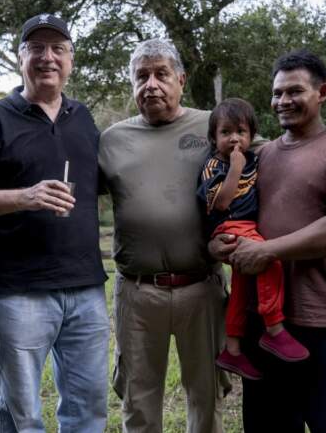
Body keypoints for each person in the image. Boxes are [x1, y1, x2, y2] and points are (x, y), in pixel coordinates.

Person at [0, 13, 109, 433]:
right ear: (20, 56)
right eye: (36, 48)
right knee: (22, 414)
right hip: (20, 291)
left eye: (58, 49)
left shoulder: (84, 119)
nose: (47, 58)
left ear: (71, 59)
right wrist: (24, 197)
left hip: (86, 288)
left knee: (89, 408)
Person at [210, 49, 326, 433]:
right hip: (263, 326)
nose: (284, 101)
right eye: (277, 92)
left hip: (324, 320)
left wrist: (266, 250)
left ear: (323, 93)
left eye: (295, 91)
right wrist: (214, 247)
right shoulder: (260, 155)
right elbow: (230, 212)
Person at [98, 38, 231, 433]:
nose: (151, 84)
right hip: (137, 292)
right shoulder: (112, 140)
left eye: (161, 74)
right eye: (141, 76)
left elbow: (271, 155)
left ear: (181, 80)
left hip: (201, 287)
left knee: (207, 397)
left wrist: (324, 136)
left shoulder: (212, 126)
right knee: (138, 400)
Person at [197, 98, 309, 382]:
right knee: (268, 261)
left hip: (246, 225)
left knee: (242, 288)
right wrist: (235, 167)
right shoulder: (213, 165)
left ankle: (232, 348)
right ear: (214, 137)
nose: (234, 138)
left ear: (251, 135)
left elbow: (284, 147)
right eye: (226, 132)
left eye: (241, 132)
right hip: (230, 225)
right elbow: (220, 204)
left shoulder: (255, 157)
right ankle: (274, 328)